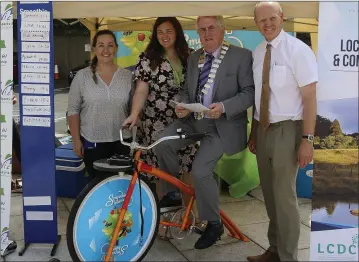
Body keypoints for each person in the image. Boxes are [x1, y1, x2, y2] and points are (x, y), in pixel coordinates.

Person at [153, 16, 255, 249]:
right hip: (193, 120)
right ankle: (172, 195)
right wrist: (181, 105)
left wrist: (224, 107)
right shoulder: (194, 57)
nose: (206, 33)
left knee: (200, 172)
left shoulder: (242, 56)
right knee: (162, 142)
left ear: (223, 29)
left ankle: (213, 223)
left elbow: (250, 92)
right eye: (201, 29)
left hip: (222, 126)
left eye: (211, 28)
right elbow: (185, 92)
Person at [247, 2, 318, 262]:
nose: (267, 24)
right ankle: (275, 249)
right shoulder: (256, 52)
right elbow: (258, 96)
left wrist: (307, 140)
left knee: (285, 197)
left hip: (289, 130)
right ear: (256, 23)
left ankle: (288, 257)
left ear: (282, 17)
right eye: (261, 20)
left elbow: (310, 98)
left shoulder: (298, 51)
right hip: (262, 130)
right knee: (269, 194)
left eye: (272, 18)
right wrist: (254, 132)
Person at [123, 17, 198, 207]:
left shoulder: (190, 56)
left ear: (177, 33)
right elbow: (141, 89)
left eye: (169, 31)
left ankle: (191, 217)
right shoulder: (148, 58)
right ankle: (164, 221)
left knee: (188, 165)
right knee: (160, 171)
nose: (164, 36)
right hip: (156, 121)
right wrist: (134, 114)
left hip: (185, 120)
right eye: (160, 32)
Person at [67, 29, 134, 180]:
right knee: (98, 186)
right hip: (93, 142)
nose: (106, 50)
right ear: (94, 49)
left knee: (120, 187)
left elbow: (134, 109)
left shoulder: (127, 76)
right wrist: (76, 140)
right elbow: (73, 110)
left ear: (116, 48)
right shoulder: (82, 76)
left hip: (122, 142)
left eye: (110, 45)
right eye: (101, 45)